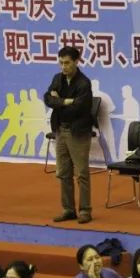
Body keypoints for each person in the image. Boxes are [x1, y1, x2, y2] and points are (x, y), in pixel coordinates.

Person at [46, 46, 95, 224]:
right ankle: (68, 209)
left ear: (76, 61)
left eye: (67, 63)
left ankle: (85, 210)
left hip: (78, 132)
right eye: (61, 63)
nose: (63, 67)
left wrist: (58, 102)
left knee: (81, 173)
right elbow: (47, 98)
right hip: (60, 130)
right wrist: (66, 101)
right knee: (63, 172)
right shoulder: (57, 78)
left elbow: (78, 108)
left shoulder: (84, 83)